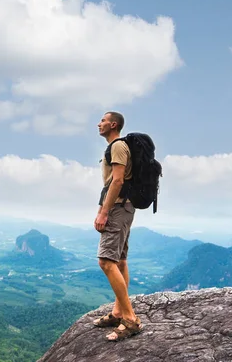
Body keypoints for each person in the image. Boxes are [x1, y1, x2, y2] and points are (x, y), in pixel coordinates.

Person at [92, 111, 143, 341]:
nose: (98, 124)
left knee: (106, 261)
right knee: (120, 260)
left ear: (113, 124)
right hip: (122, 207)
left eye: (102, 121)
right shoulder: (115, 147)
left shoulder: (118, 147)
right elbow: (113, 181)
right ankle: (118, 311)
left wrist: (105, 211)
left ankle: (130, 319)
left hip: (119, 208)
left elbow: (118, 180)